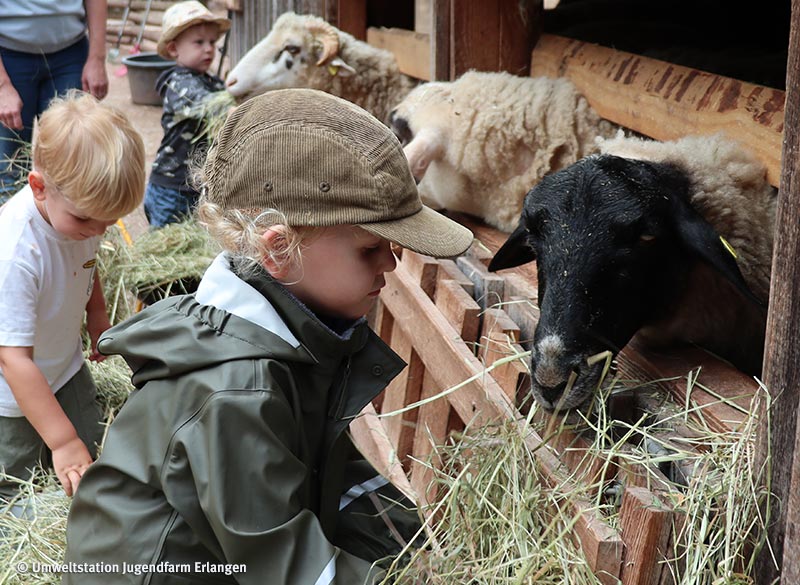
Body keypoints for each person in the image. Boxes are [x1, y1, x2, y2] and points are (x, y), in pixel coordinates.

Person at [63, 88, 474, 584]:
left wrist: (417, 552)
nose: (390, 263)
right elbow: (284, 563)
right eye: (371, 248)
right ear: (280, 248)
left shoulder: (290, 337)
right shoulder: (237, 389)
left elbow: (332, 470)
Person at [0, 91, 145, 501]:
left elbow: (87, 264)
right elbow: (12, 359)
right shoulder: (14, 254)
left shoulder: (80, 223)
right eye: (87, 219)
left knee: (93, 449)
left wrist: (97, 316)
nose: (98, 232)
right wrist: (62, 443)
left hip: (65, 367)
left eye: (109, 221)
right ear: (40, 187)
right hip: (12, 395)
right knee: (20, 484)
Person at [0, 0, 109, 204]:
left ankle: (67, 234)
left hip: (71, 53)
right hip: (8, 56)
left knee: (75, 163)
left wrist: (97, 58)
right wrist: (1, 85)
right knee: (9, 168)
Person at [144, 1, 231, 228]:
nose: (209, 49)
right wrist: (232, 105)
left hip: (199, 184)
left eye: (212, 42)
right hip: (172, 186)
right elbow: (202, 103)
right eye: (199, 42)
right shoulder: (176, 83)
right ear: (174, 49)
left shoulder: (212, 81)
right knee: (164, 244)